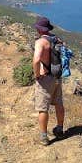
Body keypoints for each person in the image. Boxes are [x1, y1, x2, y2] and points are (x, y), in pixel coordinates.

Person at [31, 16, 65, 146]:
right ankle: (60, 128)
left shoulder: (40, 42)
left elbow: (36, 60)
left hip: (45, 78)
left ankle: (44, 137)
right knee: (58, 103)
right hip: (57, 76)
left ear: (39, 29)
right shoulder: (56, 39)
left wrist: (37, 74)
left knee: (42, 108)